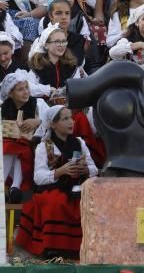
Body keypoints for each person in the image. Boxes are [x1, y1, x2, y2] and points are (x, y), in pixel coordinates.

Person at [16, 105, 98, 257]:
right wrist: (61, 171)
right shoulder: (44, 146)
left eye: (71, 118)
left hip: (77, 186)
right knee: (55, 201)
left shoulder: (80, 143)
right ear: (53, 124)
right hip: (53, 187)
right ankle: (54, 249)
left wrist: (85, 170)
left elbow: (95, 169)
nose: (71, 122)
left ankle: (86, 247)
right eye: (65, 119)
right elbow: (38, 177)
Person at [0, 70, 47, 204]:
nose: (26, 92)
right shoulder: (2, 109)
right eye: (20, 89)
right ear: (11, 93)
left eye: (26, 88)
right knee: (11, 146)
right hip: (8, 148)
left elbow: (51, 122)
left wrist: (38, 122)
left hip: (32, 145)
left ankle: (8, 186)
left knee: (18, 148)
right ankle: (12, 186)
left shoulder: (38, 104)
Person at [28, 25, 84, 99]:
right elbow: (28, 87)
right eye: (57, 42)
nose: (61, 45)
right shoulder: (38, 65)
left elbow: (77, 86)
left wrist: (62, 91)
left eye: (64, 41)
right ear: (46, 45)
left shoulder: (70, 65)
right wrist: (48, 90)